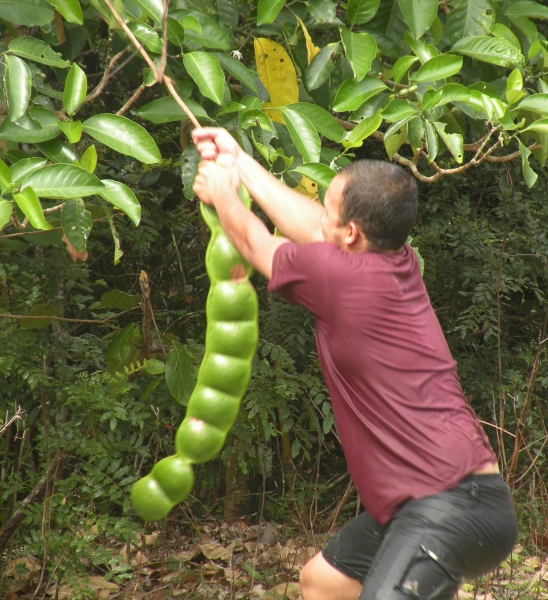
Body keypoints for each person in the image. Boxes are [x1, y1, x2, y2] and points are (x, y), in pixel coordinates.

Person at [191, 127, 518, 600]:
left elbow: (258, 246)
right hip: (436, 504)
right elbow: (313, 225)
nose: (320, 219)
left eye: (329, 211)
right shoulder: (393, 259)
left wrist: (223, 194)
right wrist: (239, 162)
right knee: (323, 583)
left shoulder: (338, 276)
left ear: (351, 233)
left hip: (451, 506)